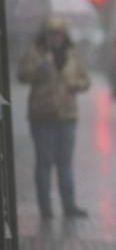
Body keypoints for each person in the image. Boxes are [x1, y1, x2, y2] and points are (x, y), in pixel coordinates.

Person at [18, 16, 91, 220]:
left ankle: (69, 206)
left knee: (65, 163)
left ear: (64, 35)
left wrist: (75, 85)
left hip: (67, 116)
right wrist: (41, 67)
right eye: (51, 33)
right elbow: (22, 75)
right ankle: (45, 209)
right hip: (42, 116)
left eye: (59, 33)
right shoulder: (35, 53)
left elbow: (85, 81)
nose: (55, 37)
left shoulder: (72, 55)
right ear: (45, 35)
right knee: (44, 163)